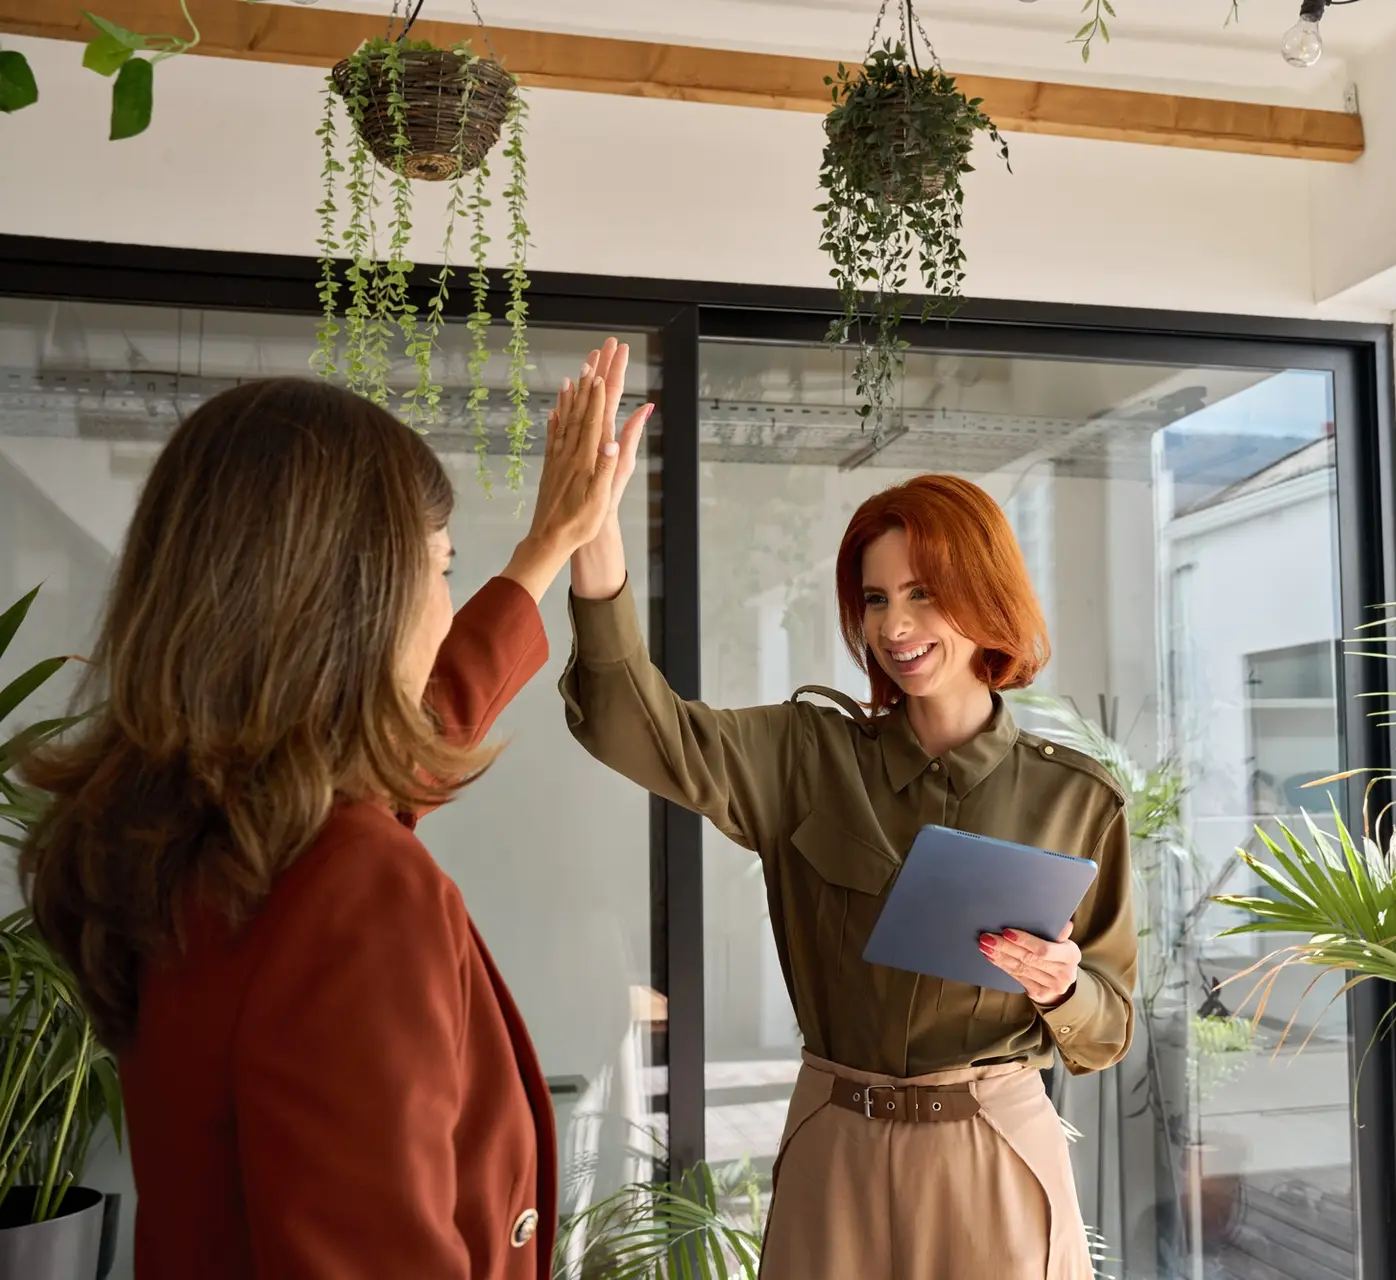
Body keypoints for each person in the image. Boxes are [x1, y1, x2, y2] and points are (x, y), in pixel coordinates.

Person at [19, 371, 635, 1279]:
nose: (441, 601)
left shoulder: (183, 832)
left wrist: (545, 550)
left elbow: (396, 755)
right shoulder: (350, 887)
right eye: (441, 568)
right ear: (358, 601)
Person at [560, 339, 1135, 1279]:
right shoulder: (805, 754)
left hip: (993, 1152)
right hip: (836, 1145)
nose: (895, 627)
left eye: (922, 594)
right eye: (875, 600)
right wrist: (594, 531)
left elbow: (1109, 1027)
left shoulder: (1076, 799)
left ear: (984, 598)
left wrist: (1062, 983)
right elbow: (632, 723)